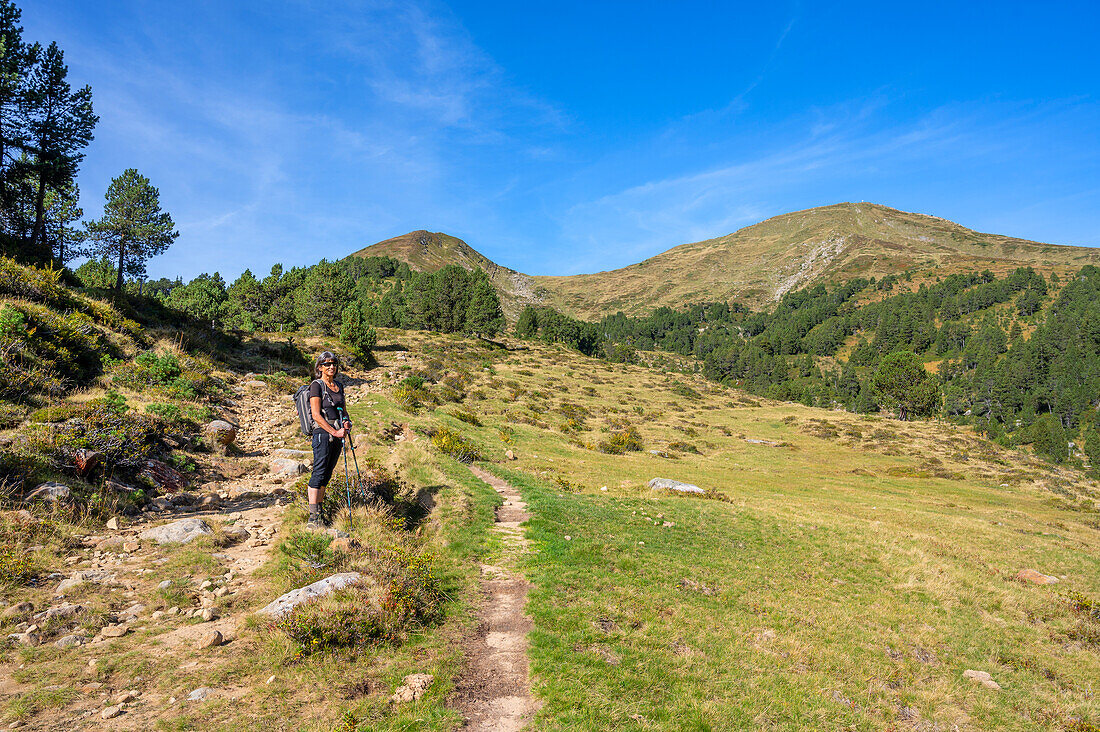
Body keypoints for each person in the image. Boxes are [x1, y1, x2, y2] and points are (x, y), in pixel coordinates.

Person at [306, 351, 352, 526]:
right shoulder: (316, 386)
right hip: (323, 434)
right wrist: (334, 431)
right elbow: (317, 415)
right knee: (318, 472)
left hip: (338, 433)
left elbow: (344, 410)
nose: (331, 366)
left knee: (327, 473)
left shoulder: (339, 385)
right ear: (320, 367)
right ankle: (313, 517)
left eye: (333, 364)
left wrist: (346, 423)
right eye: (326, 364)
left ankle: (320, 511)